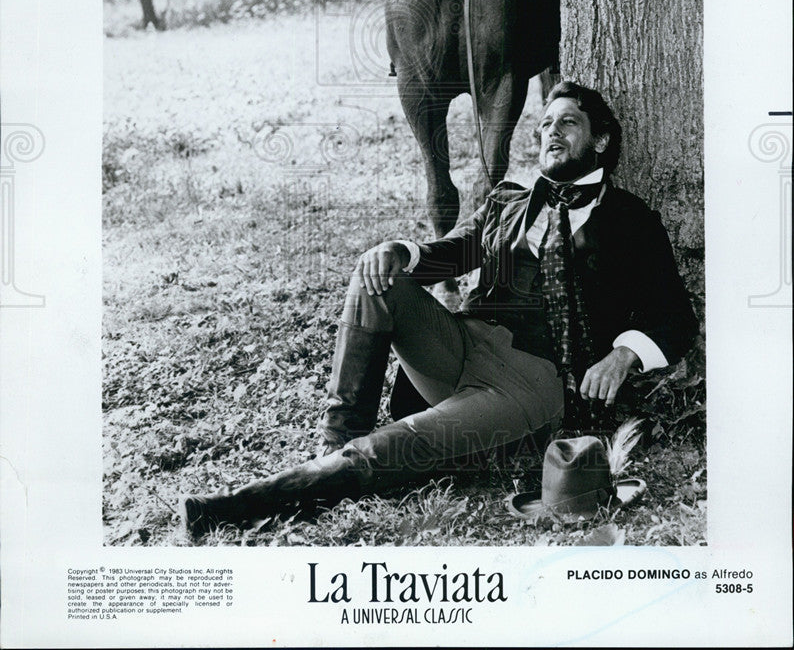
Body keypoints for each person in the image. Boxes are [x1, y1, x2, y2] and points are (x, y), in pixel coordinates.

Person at [181, 81, 697, 537]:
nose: (552, 132)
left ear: (600, 141)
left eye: (568, 122)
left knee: (395, 447)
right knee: (374, 272)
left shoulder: (630, 219)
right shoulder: (509, 200)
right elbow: (453, 251)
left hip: (528, 379)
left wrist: (623, 355)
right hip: (458, 345)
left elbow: (674, 313)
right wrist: (401, 252)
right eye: (545, 124)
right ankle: (338, 436)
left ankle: (234, 507)